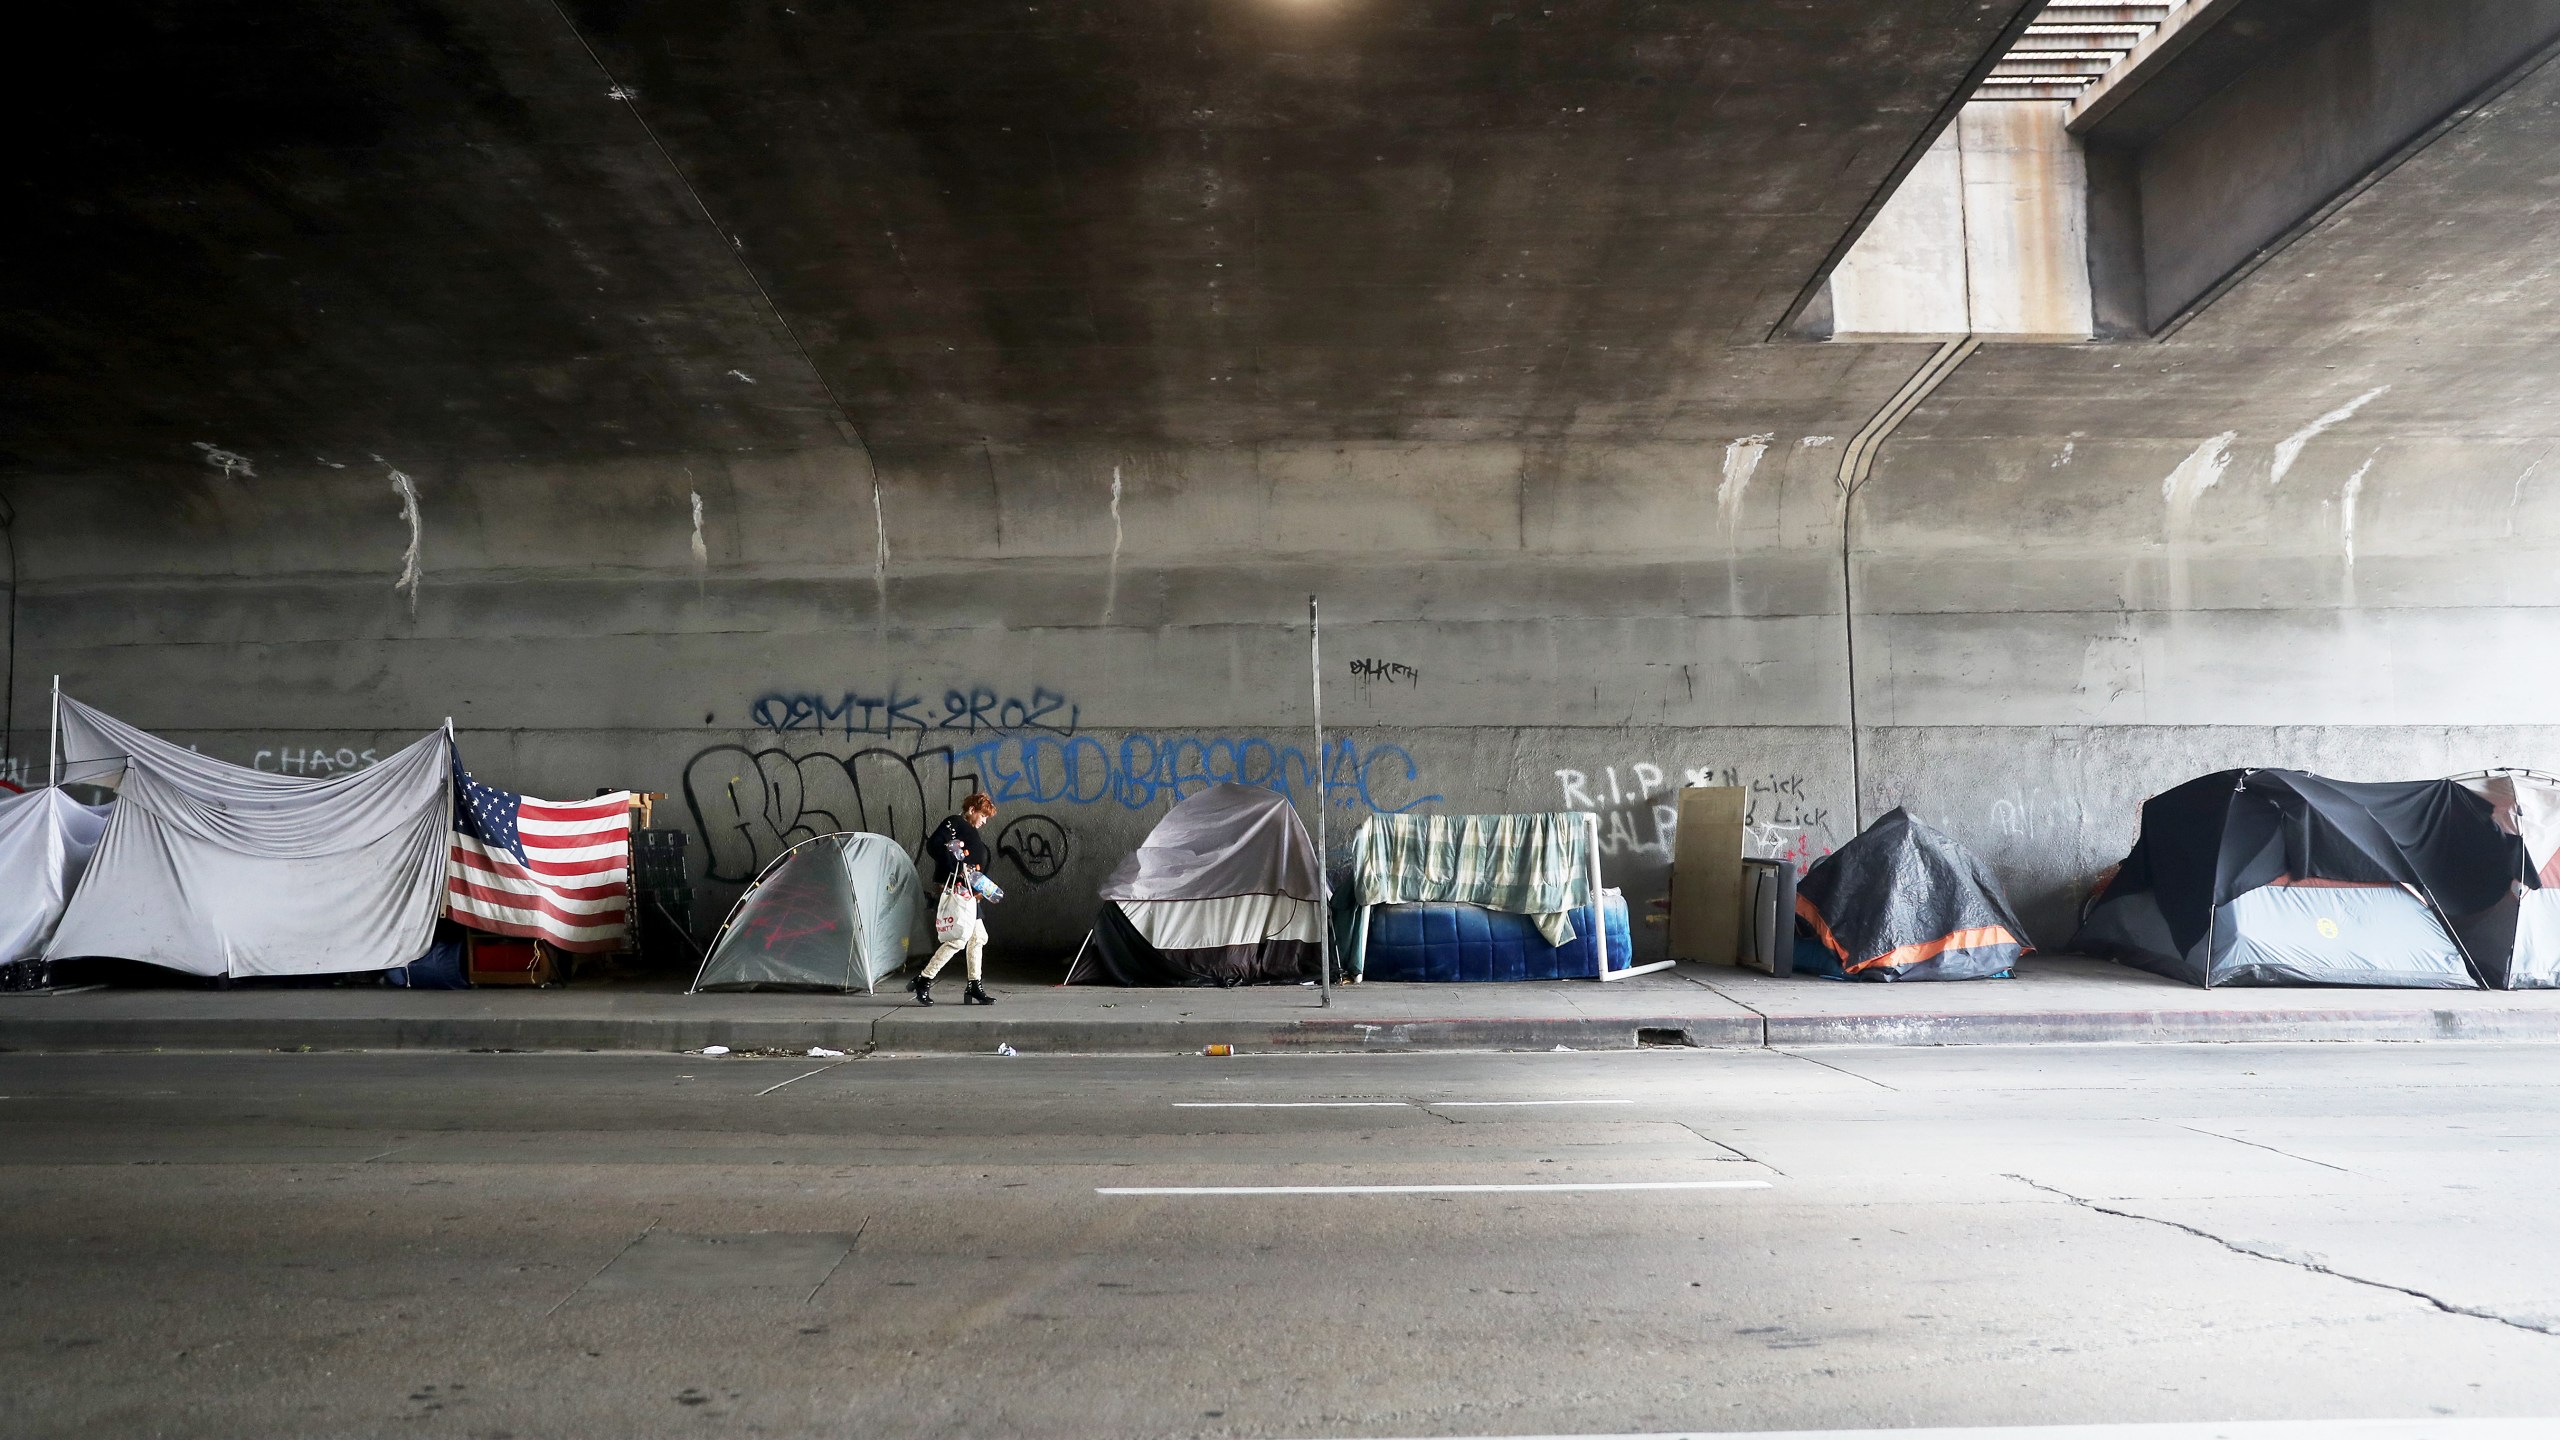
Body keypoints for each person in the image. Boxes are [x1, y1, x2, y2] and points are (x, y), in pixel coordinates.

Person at [913, 792, 999, 1006]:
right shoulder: (955, 822)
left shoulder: (966, 828)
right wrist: (955, 868)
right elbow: (934, 845)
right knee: (958, 938)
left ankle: (974, 986)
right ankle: (924, 979)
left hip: (969, 891)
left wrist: (980, 887)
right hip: (958, 892)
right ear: (972, 810)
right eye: (983, 815)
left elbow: (966, 861)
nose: (984, 821)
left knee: (978, 937)